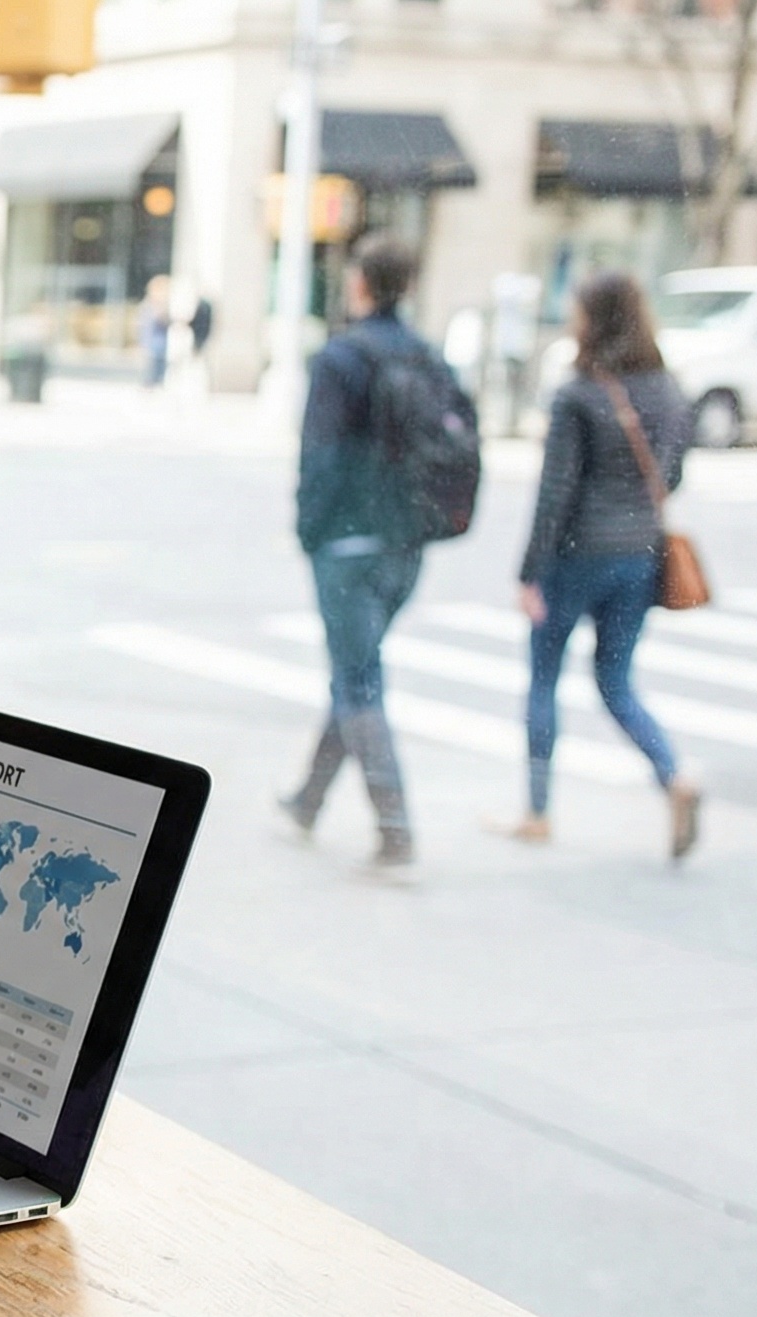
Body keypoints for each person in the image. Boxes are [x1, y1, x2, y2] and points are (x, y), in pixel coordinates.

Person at [510, 272, 700, 859]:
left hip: (575, 557)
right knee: (616, 683)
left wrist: (528, 572)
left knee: (544, 678)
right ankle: (673, 774)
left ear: (594, 320)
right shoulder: (668, 388)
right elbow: (672, 476)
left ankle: (538, 811)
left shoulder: (579, 393)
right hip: (638, 556)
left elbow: (555, 493)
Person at [279, 234, 438, 871]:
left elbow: (320, 457)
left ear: (361, 283)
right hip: (407, 543)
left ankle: (394, 823)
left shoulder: (342, 358)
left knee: (358, 679)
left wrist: (308, 530)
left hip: (348, 543)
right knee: (355, 671)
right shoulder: (426, 357)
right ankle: (309, 800)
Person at [138, 275, 172, 388]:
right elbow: (145, 326)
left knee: (160, 369)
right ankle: (151, 385)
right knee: (153, 369)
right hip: (155, 343)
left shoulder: (159, 306)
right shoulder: (150, 306)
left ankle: (156, 384)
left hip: (161, 344)